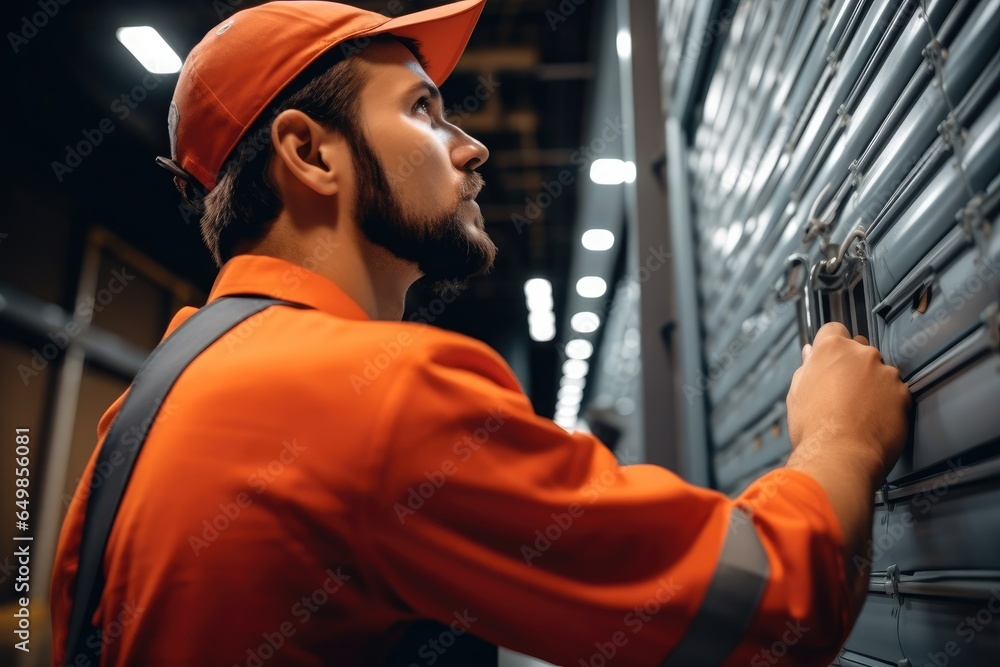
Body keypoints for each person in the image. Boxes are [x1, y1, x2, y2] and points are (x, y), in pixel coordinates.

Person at [49, 1, 912, 665]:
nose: (471, 150)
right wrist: (840, 435)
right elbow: (771, 612)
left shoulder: (134, 418)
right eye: (425, 112)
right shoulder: (372, 394)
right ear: (311, 154)